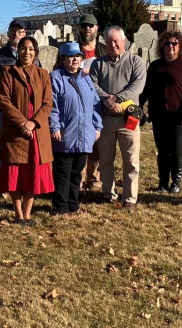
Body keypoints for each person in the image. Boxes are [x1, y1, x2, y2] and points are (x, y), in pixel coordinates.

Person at [0, 36, 54, 225]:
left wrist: (33, 123)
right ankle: (17, 213)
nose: (27, 52)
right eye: (23, 48)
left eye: (30, 49)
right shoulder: (8, 72)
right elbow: (4, 101)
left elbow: (47, 104)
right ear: (18, 51)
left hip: (36, 131)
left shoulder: (43, 74)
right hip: (15, 129)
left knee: (32, 171)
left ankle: (28, 213)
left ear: (35, 53)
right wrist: (22, 123)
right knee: (16, 171)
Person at [90, 26, 146, 211]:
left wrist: (118, 98)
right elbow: (93, 84)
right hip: (105, 118)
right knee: (106, 159)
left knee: (130, 159)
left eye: (115, 41)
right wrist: (106, 99)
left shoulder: (136, 61)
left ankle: (130, 198)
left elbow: (137, 85)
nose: (112, 44)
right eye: (108, 41)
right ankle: (108, 193)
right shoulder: (98, 64)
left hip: (128, 119)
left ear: (124, 40)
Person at [48, 42, 102, 215]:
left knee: (77, 172)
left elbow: (95, 104)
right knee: (63, 173)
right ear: (62, 59)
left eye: (78, 56)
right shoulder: (56, 77)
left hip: (85, 133)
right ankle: (60, 207)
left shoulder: (86, 78)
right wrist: (55, 127)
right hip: (65, 132)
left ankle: (73, 204)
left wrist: (97, 126)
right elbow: (52, 105)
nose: (75, 60)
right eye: (70, 56)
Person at [140, 30, 182, 193]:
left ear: (180, 46)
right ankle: (163, 182)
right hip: (158, 114)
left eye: (174, 43)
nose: (171, 46)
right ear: (162, 46)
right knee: (162, 151)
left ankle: (176, 182)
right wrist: (139, 106)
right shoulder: (155, 65)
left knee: (176, 150)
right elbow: (146, 89)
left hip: (178, 116)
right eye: (167, 43)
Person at [76, 13, 108, 191]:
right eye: (84, 25)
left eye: (91, 25)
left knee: (98, 143)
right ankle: (78, 180)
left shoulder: (104, 50)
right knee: (79, 143)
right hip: (79, 104)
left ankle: (94, 180)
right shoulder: (72, 49)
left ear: (97, 28)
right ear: (79, 28)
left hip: (100, 103)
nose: (87, 28)